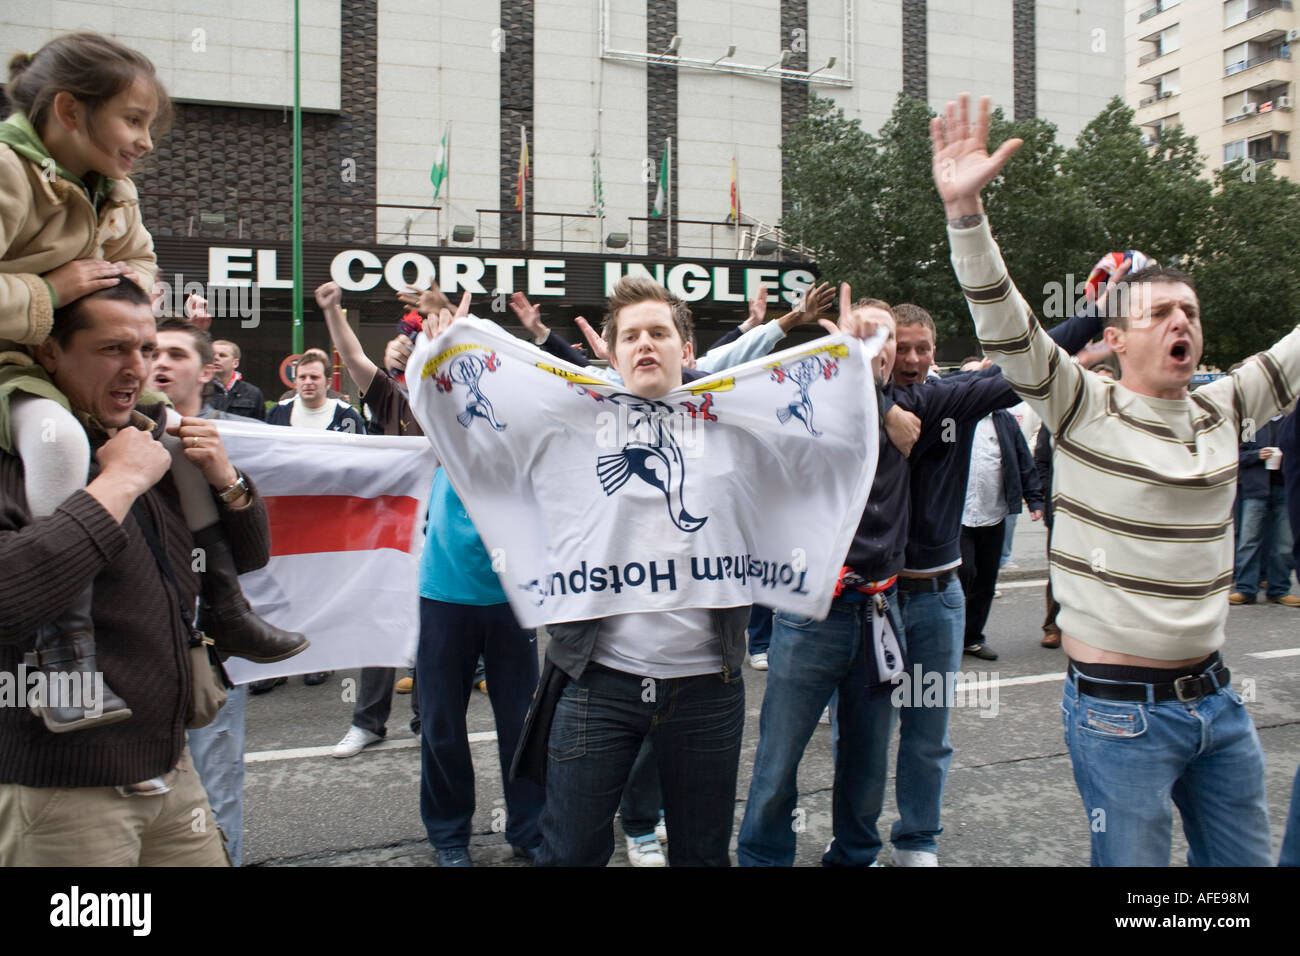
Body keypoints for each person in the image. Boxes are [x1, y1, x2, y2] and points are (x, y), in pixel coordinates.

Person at [933, 92, 1284, 866]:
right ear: (1116, 338)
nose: (1180, 323)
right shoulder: (1081, 405)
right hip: (1119, 718)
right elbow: (1005, 325)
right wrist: (965, 214)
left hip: (1220, 705)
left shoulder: (1226, 406)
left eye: (1188, 311)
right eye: (1159, 313)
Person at [0, 33, 305, 733]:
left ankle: (224, 606)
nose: (147, 140)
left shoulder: (118, 190)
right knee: (53, 440)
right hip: (14, 365)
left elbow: (143, 269)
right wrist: (48, 293)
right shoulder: (9, 171)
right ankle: (64, 652)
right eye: (133, 120)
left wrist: (130, 285)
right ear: (70, 111)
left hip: (161, 749)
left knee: (182, 439)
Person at [0, 279, 271, 865]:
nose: (136, 369)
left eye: (147, 350)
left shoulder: (142, 437)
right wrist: (115, 486)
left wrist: (227, 479)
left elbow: (246, 558)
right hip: (65, 795)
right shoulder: (21, 452)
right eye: (111, 349)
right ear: (49, 352)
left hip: (172, 774)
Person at [386, 293, 545, 867]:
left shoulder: (526, 424)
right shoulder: (443, 418)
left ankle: (528, 829)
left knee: (522, 726)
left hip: (512, 600)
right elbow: (423, 379)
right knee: (443, 728)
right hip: (444, 596)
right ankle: (449, 836)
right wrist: (435, 333)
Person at [150, 314, 265, 865]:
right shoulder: (109, 433)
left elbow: (254, 552)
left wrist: (226, 477)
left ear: (205, 371)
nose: (160, 362)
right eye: (151, 351)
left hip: (209, 649)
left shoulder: (237, 437)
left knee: (215, 794)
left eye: (176, 353)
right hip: (132, 654)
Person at [314, 280, 423, 756]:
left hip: (443, 533)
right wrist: (334, 311)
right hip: (394, 531)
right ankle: (368, 722)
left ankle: (429, 719)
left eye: (412, 343)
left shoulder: (456, 396)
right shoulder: (389, 396)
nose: (402, 348)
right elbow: (354, 357)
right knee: (382, 620)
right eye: (400, 343)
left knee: (433, 630)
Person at [262, 347, 366, 690]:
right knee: (283, 589)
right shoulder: (278, 412)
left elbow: (360, 462)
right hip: (286, 517)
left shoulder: (347, 414)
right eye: (302, 377)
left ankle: (317, 658)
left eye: (313, 377)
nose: (307, 383)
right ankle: (277, 663)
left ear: (327, 381)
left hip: (329, 518)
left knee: (320, 590)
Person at [957, 379, 1045, 661]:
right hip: (959, 516)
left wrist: (1034, 499)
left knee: (986, 579)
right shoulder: (957, 417)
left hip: (993, 514)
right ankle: (950, 636)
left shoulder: (1005, 421)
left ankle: (972, 638)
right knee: (964, 573)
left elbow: (1023, 459)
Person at [1229, 413, 1299, 606]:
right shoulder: (1252, 423)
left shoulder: (1290, 421)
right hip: (1256, 489)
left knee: (1285, 545)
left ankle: (1279, 590)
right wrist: (1257, 455)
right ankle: (1245, 589)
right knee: (1249, 541)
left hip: (1285, 488)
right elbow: (1238, 455)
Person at [210, 339, 265, 421]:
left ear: (235, 363)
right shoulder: (199, 390)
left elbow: (259, 426)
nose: (215, 358)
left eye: (222, 355)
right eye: (212, 355)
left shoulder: (252, 393)